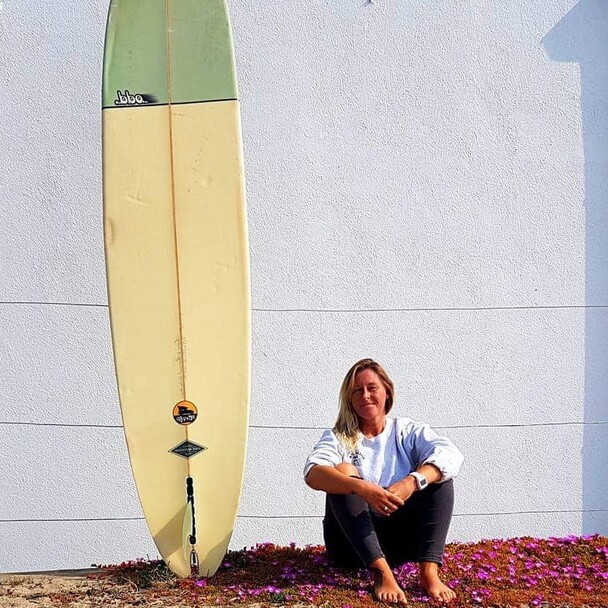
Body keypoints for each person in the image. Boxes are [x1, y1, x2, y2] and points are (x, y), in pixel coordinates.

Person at [304, 358, 464, 605]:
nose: (365, 395)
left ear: (387, 391)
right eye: (357, 390)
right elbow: (313, 472)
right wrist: (361, 486)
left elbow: (451, 455)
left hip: (401, 542)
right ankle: (381, 573)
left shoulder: (406, 430)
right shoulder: (338, 437)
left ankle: (429, 572)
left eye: (372, 388)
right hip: (351, 547)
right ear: (349, 398)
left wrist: (412, 481)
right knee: (344, 473)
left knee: (438, 475)